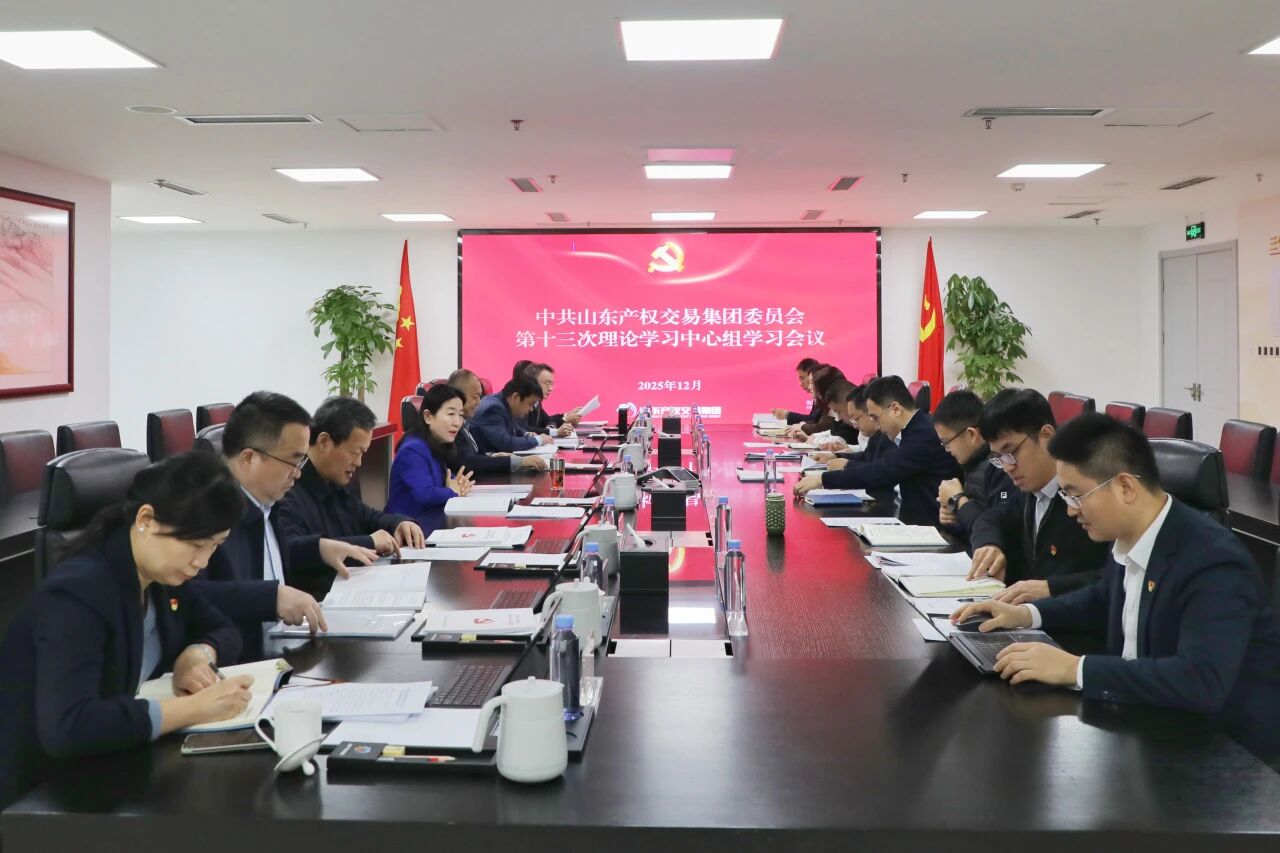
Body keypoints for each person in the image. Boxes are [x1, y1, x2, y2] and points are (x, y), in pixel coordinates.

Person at [951, 414, 1280, 765]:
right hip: (1146, 723)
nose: (1070, 510)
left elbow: (1200, 680)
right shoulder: (1131, 534)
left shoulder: (1213, 561)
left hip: (1224, 756)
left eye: (1076, 495)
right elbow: (1103, 597)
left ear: (1125, 487)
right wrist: (1025, 614)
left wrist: (1075, 669)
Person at [0, 452, 257, 809]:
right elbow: (69, 725)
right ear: (146, 519)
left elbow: (221, 627)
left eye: (215, 545)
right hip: (38, 796)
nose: (202, 562)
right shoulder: (79, 592)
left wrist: (197, 654)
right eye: (196, 545)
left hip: (111, 766)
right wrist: (194, 708)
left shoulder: (160, 576)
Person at [192, 392, 376, 662]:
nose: (298, 473)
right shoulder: (207, 514)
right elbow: (184, 596)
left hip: (279, 652)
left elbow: (271, 556)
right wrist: (271, 598)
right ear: (249, 458)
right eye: (293, 461)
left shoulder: (267, 504)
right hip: (237, 666)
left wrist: (319, 548)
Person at [966, 388, 1110, 604]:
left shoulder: (1088, 497)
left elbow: (1113, 579)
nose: (1007, 467)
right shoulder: (1032, 492)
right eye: (999, 457)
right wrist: (988, 544)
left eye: (1011, 452)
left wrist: (1050, 588)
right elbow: (992, 518)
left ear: (1046, 436)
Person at [277, 396, 426, 596]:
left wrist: (399, 523)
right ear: (324, 442)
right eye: (356, 452)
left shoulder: (334, 482)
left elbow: (367, 516)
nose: (359, 462)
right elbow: (293, 551)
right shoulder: (288, 491)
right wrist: (368, 542)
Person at [794, 376, 956, 525]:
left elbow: (883, 470)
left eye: (876, 417)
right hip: (912, 514)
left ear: (896, 409)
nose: (876, 425)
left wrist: (822, 480)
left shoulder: (923, 434)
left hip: (931, 525)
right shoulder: (914, 428)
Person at [932, 389, 1015, 545]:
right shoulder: (972, 463)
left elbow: (996, 531)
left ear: (972, 434)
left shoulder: (1000, 468)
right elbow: (970, 528)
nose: (946, 449)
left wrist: (958, 500)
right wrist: (952, 518)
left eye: (946, 442)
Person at [386, 384, 475, 516]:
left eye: (460, 415)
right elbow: (424, 494)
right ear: (428, 416)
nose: (457, 422)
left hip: (429, 520)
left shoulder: (436, 444)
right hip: (407, 525)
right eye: (451, 414)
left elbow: (445, 479)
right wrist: (453, 491)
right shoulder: (412, 450)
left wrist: (460, 483)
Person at [449, 368, 548, 474]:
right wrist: (518, 462)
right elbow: (470, 463)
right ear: (458, 397)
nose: (478, 403)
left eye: (479, 397)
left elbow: (474, 455)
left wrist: (491, 456)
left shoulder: (465, 422)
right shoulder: (452, 427)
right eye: (475, 397)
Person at [471, 374, 554, 453]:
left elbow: (513, 425)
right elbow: (505, 443)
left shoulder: (503, 403)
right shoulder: (493, 409)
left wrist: (526, 434)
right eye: (530, 404)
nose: (531, 409)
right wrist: (538, 440)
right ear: (516, 397)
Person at [520, 362, 581, 436]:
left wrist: (566, 416)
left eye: (552, 384)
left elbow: (547, 421)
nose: (550, 388)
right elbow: (523, 429)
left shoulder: (537, 401)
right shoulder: (520, 401)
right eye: (547, 383)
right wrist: (556, 431)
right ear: (533, 382)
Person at [773, 357, 821, 424]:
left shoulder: (823, 396)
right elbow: (812, 420)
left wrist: (787, 415)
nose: (801, 384)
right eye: (800, 379)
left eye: (802, 378)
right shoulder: (817, 396)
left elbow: (814, 420)